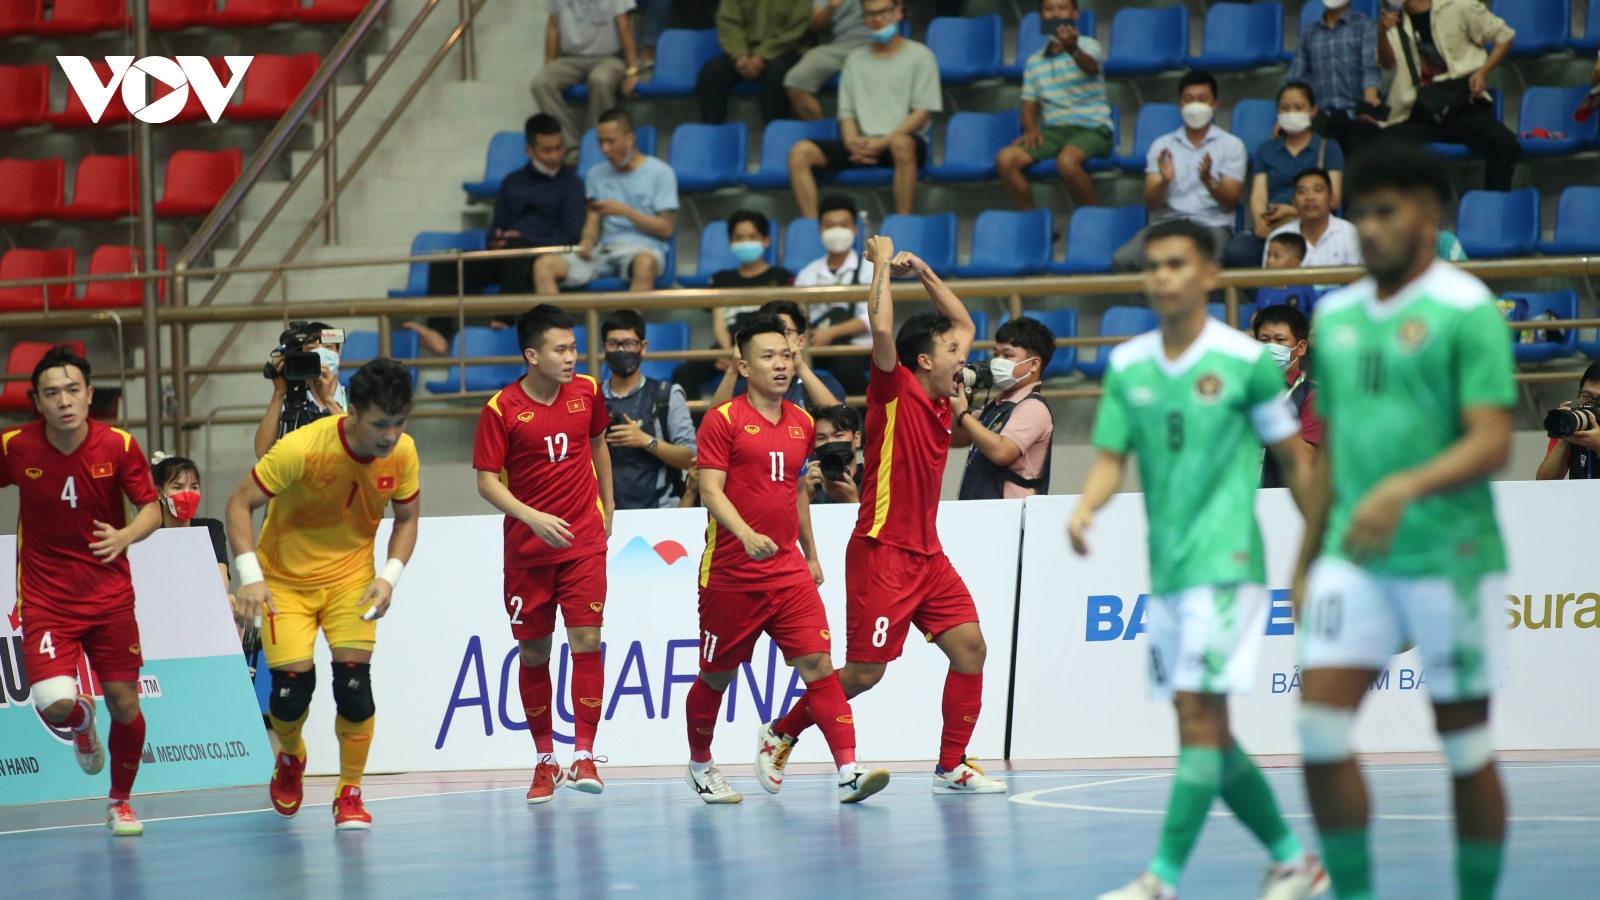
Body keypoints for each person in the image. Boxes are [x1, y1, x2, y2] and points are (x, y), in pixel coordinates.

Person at [1068, 220, 1325, 900]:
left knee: (1197, 724)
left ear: (1210, 275)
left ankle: (1160, 878)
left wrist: (1314, 555)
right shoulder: (1129, 367)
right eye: (1153, 266)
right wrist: (1086, 506)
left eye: (1178, 264)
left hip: (1229, 565)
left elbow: (1298, 466)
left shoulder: (1243, 365)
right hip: (1170, 573)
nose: (1163, 277)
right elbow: (1108, 461)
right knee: (1206, 728)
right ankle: (1293, 859)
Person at [1291, 145, 1516, 900]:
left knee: (1466, 749)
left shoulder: (1467, 310)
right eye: (1364, 212)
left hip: (1450, 553)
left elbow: (1491, 440)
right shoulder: (1338, 316)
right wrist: (1303, 554)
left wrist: (1403, 489)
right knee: (1319, 732)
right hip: (1354, 558)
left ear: (1432, 218)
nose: (1371, 227)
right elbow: (1335, 448)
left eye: (1388, 212)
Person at [761, 234, 1007, 795]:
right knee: (866, 674)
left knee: (971, 650)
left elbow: (963, 324)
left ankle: (951, 764)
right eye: (953, 355)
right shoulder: (895, 390)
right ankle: (780, 733)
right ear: (924, 360)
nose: (963, 362)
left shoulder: (946, 399)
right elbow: (880, 329)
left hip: (929, 555)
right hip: (882, 551)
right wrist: (878, 267)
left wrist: (923, 269)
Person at [689, 312, 891, 805]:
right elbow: (709, 491)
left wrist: (810, 554)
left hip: (787, 572)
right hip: (731, 573)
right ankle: (700, 764)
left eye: (785, 356)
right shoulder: (723, 420)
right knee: (717, 676)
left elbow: (797, 490)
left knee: (819, 666)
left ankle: (848, 770)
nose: (780, 366)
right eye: (767, 357)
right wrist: (743, 532)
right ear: (742, 364)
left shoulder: (803, 423)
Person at [225, 359, 421, 831]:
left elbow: (408, 518)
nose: (390, 435)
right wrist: (249, 576)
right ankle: (290, 757)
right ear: (353, 411)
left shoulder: (404, 452)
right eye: (380, 424)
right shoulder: (302, 448)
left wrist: (389, 576)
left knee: (354, 689)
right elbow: (239, 503)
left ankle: (349, 790)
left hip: (352, 581)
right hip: (285, 584)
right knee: (290, 697)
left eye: (399, 423)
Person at [0, 346, 161, 836]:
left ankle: (121, 802)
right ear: (38, 402)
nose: (64, 401)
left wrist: (125, 535)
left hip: (110, 597)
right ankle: (81, 722)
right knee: (53, 701)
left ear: (90, 395)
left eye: (73, 390)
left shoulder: (119, 445)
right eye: (53, 393)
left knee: (126, 704)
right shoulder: (15, 446)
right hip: (47, 599)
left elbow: (152, 508)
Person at [473, 305, 615, 803]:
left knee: (587, 639)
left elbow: (598, 444)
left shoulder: (588, 392)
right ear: (532, 355)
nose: (572, 357)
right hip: (527, 550)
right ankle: (544, 760)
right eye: (561, 349)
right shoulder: (501, 409)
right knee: (533, 651)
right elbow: (486, 482)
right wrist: (531, 516)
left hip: (583, 543)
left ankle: (584, 755)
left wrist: (608, 505)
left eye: (574, 347)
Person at [409, 115, 585, 354]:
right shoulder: (512, 182)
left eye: (559, 148)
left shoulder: (572, 183)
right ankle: (440, 332)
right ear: (529, 150)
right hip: (509, 255)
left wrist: (523, 240)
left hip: (543, 257)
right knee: (446, 260)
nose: (555, 156)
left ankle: (504, 320)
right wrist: (498, 240)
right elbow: (496, 229)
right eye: (547, 150)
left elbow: (571, 235)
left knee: (516, 245)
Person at [787, 0, 940, 219]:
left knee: (901, 144)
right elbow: (847, 113)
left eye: (883, 13)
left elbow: (922, 112)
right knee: (800, 152)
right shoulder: (855, 59)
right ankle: (813, 226)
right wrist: (851, 142)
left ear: (898, 12)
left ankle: (903, 222)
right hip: (862, 144)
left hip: (901, 141)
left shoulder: (921, 56)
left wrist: (883, 142)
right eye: (870, 14)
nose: (877, 19)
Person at [1375, 0, 1520, 192]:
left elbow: (1505, 36)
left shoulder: (1459, 6)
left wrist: (1483, 72)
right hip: (1423, 109)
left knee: (1505, 143)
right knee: (1378, 146)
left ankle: (1494, 206)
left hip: (1461, 103)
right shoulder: (1396, 21)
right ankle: (1400, 214)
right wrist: (1381, 33)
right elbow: (1387, 63)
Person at [1112, 72, 1246, 273]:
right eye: (1188, 99)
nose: (1195, 105)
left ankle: (1207, 307)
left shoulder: (1231, 146)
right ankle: (1149, 306)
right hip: (1171, 223)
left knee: (1208, 264)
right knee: (1124, 260)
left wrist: (1209, 181)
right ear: (1180, 105)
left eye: (1202, 99)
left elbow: (1230, 202)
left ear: (1215, 105)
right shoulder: (1162, 145)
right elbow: (1151, 202)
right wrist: (1164, 181)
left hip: (1212, 225)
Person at [534, 109, 678, 294]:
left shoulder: (661, 173)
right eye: (601, 142)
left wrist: (625, 211)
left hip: (643, 248)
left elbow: (666, 228)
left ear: (630, 139)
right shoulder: (596, 174)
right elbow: (593, 220)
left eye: (610, 141)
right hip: (604, 250)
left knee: (645, 263)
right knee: (544, 265)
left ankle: (625, 324)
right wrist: (587, 241)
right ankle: (554, 323)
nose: (605, 149)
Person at [995, 0, 1113, 211]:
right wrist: (1031, 129)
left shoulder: (1088, 46)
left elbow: (1090, 67)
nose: (1055, 13)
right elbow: (1029, 107)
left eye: (1062, 8)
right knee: (1006, 159)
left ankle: (1095, 220)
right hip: (1054, 131)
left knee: (1066, 161)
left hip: (1094, 128)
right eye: (1049, 9)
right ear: (1041, 18)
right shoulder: (1034, 61)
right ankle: (1034, 222)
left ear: (1075, 15)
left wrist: (1073, 49)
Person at [671, 210, 795, 400]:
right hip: (726, 350)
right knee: (683, 373)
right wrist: (730, 353)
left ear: (766, 241)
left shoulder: (780, 278)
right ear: (731, 243)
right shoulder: (721, 279)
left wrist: (748, 357)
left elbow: (786, 324)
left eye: (752, 237)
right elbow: (719, 321)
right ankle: (698, 429)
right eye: (740, 238)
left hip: (766, 352)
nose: (746, 242)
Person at [1224, 84, 1346, 270]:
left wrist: (1292, 211)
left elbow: (1334, 199)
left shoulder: (1328, 148)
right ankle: (1270, 298)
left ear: (1313, 111)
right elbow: (1258, 195)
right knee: (1237, 252)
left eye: (1299, 108)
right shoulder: (1266, 150)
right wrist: (1259, 221)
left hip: (1314, 222)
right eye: (1285, 108)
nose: (1292, 113)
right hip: (1275, 225)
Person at [598, 309, 697, 509]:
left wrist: (646, 441)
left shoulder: (666, 395)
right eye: (613, 344)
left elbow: (691, 457)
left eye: (628, 344)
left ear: (643, 347)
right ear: (603, 348)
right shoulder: (591, 399)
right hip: (606, 514)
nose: (621, 351)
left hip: (660, 512)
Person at [954, 316, 1056, 500]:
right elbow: (956, 438)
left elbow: (1002, 452)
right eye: (996, 354)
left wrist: (963, 413)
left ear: (1034, 364)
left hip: (1010, 516)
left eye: (1008, 355)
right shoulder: (996, 405)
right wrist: (965, 398)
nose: (998, 361)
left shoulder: (1033, 407)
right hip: (978, 511)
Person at [531, 0, 640, 151]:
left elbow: (624, 26)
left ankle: (595, 147)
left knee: (600, 80)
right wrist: (548, 64)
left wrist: (632, 70)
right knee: (541, 83)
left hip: (609, 57)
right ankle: (571, 147)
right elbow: (553, 26)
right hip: (569, 58)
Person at [795, 195, 873, 395]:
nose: (837, 231)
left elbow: (870, 317)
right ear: (820, 230)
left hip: (858, 346)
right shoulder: (807, 273)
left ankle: (869, 419)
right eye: (830, 225)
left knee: (845, 369)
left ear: (855, 229)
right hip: (815, 346)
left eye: (843, 225)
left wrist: (831, 332)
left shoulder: (869, 269)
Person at [1286, 0, 1384, 159]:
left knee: (1361, 158)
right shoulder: (1309, 33)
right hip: (1321, 117)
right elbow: (1296, 80)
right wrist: (1289, 113)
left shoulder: (1366, 26)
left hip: (1355, 115)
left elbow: (1370, 70)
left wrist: (1369, 104)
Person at [709, 299, 846, 412]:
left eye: (785, 332)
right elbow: (713, 425)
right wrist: (733, 368)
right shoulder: (743, 387)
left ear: (801, 341)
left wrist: (800, 367)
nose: (777, 339)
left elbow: (839, 424)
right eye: (771, 332)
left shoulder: (826, 384)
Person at [696, 0, 812, 125]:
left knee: (774, 74)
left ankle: (774, 136)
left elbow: (796, 30)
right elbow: (728, 22)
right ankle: (713, 135)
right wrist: (739, 54)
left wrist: (762, 55)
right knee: (711, 73)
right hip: (745, 50)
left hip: (785, 49)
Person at [1253, 304, 1322, 490]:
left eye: (1280, 340)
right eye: (1264, 340)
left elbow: (1307, 455)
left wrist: (1267, 418)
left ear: (1301, 347)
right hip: (1245, 497)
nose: (1271, 347)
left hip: (1287, 498)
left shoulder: (1312, 395)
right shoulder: (1244, 391)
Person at [254, 322, 344, 460]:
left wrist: (328, 400)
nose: (320, 353)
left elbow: (360, 442)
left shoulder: (354, 397)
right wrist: (279, 393)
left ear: (338, 356)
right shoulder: (291, 402)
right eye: (311, 348)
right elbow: (263, 453)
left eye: (328, 347)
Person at [784, 0, 873, 122]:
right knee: (796, 80)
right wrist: (831, 8)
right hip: (841, 46)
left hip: (878, 40)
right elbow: (815, 25)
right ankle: (823, 133)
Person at [1263, 169, 1361, 269]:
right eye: (1302, 192)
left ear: (1331, 198)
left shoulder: (1350, 234)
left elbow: (1359, 281)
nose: (1310, 197)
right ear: (1293, 202)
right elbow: (1268, 281)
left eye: (1317, 190)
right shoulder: (1277, 237)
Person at [1536, 362, 1600, 481]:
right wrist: (1563, 438)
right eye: (1586, 396)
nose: (1591, 405)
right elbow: (1544, 482)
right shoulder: (1575, 423)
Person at [804, 404, 863, 504]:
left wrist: (852, 501)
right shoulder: (808, 485)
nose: (830, 443)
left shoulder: (875, 483)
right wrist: (805, 498)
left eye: (838, 435)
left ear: (856, 439)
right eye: (821, 438)